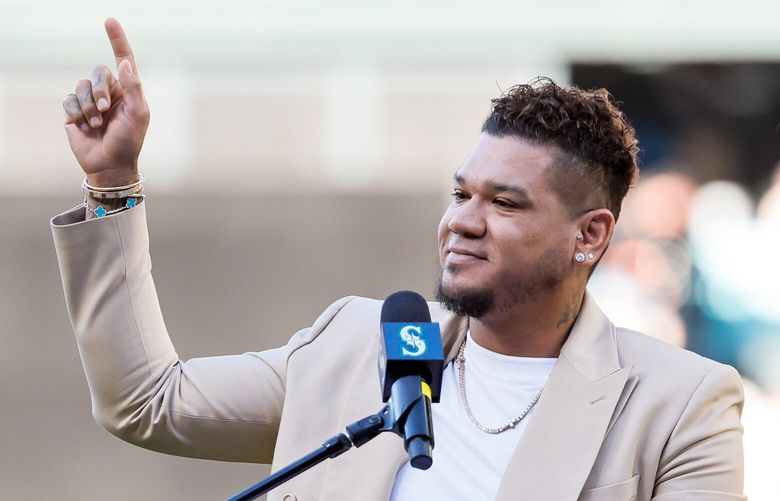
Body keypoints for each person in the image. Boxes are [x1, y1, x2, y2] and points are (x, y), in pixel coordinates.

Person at [52, 18, 745, 501]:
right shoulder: (356, 345)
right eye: (460, 193)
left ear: (589, 236)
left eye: (505, 204)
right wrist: (113, 186)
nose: (461, 222)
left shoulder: (680, 403)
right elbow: (147, 401)